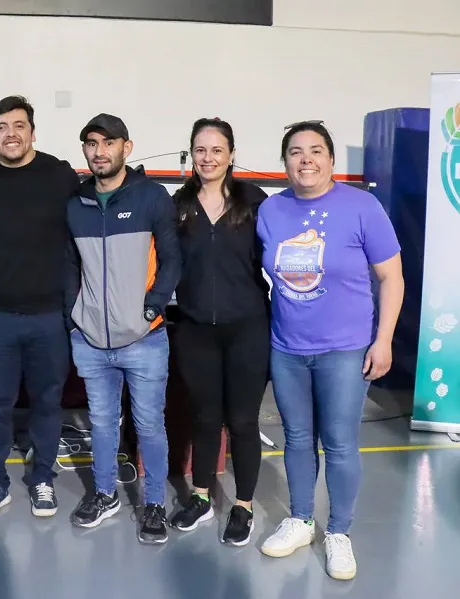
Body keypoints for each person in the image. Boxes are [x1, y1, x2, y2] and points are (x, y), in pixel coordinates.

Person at [256, 121, 403, 580]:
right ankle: (301, 519)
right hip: (287, 347)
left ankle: (338, 531)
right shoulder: (271, 211)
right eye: (296, 152)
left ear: (331, 159)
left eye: (315, 150)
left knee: (339, 444)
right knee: (297, 439)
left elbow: (391, 278)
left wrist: (383, 340)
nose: (306, 160)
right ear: (284, 162)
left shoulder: (362, 206)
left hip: (345, 349)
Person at [64, 114, 181, 544]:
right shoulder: (76, 204)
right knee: (101, 424)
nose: (99, 151)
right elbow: (69, 266)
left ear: (126, 148)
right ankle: (104, 494)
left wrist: (152, 306)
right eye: (91, 144)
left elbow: (172, 259)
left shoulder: (152, 197)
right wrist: (73, 315)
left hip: (145, 337)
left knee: (149, 424)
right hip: (92, 338)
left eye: (108, 143)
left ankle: (153, 504)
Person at [0, 95, 80, 517]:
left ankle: (43, 478)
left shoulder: (59, 174)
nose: (10, 134)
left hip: (48, 314)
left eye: (18, 125)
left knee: (47, 402)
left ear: (33, 131)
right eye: (1, 127)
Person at [168, 118, 270, 546]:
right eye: (200, 150)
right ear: (191, 154)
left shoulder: (255, 201)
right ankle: (203, 497)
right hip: (195, 329)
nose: (207, 158)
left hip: (247, 327)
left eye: (216, 150)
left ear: (231, 154)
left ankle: (243, 506)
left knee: (243, 421)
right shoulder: (180, 203)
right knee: (205, 418)